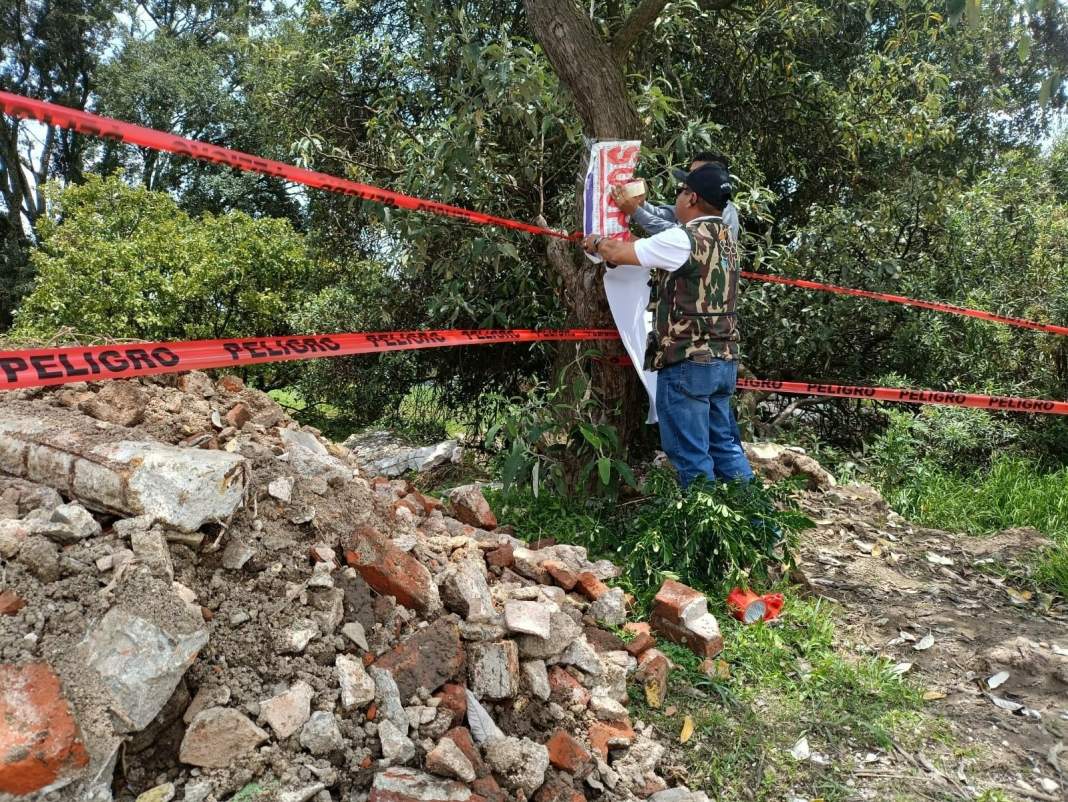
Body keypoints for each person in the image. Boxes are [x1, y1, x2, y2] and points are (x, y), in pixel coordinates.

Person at [583, 163, 753, 489]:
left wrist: (596, 242)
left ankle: (706, 530)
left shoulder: (683, 239)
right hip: (724, 362)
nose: (677, 197)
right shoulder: (728, 239)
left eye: (680, 190)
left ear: (692, 198)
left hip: (688, 363)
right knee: (726, 449)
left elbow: (617, 251)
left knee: (691, 457)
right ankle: (759, 528)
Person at [612, 151, 741, 241]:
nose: (689, 179)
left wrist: (635, 210)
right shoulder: (695, 202)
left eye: (697, 174)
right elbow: (666, 215)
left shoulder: (724, 213)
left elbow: (680, 235)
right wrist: (640, 204)